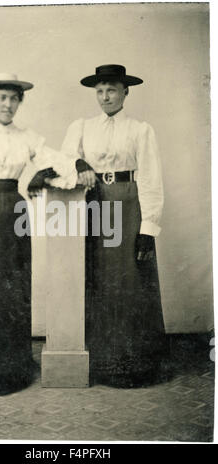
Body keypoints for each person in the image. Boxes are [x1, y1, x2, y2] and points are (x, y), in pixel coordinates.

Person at [0, 73, 77, 395]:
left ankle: (13, 365)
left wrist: (42, 174)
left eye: (14, 98)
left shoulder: (28, 136)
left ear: (20, 102)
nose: (8, 104)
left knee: (13, 287)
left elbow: (58, 162)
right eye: (2, 98)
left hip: (16, 212)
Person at [61, 64, 170, 388]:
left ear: (125, 92)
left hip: (127, 202)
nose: (105, 96)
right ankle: (102, 362)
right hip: (95, 203)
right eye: (100, 90)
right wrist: (79, 162)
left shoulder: (140, 129)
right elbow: (62, 158)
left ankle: (136, 363)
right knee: (100, 279)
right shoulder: (82, 127)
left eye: (111, 89)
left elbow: (150, 178)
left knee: (130, 278)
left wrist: (148, 228)